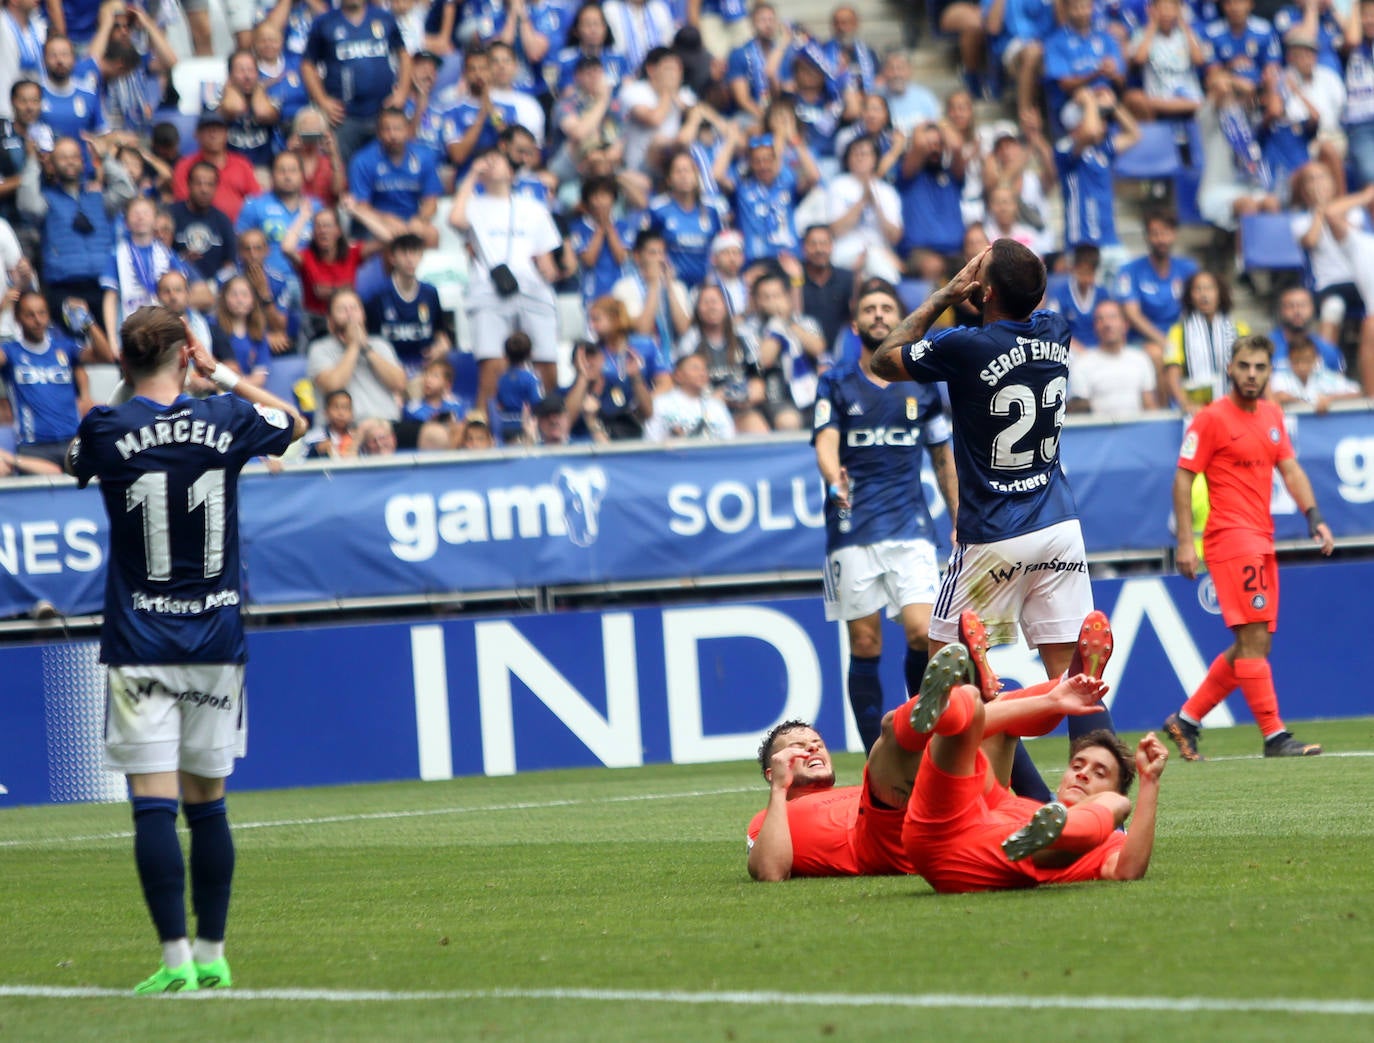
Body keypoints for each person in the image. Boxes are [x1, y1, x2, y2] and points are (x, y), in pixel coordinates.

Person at [65, 305, 307, 992]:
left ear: (126, 363)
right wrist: (221, 373)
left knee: (152, 803)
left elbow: (80, 452)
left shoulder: (107, 426)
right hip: (214, 638)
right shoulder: (228, 417)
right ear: (185, 354)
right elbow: (296, 423)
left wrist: (126, 384)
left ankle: (173, 961)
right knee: (208, 802)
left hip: (140, 642)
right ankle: (213, 954)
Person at [870, 240, 1096, 684]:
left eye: (981, 265)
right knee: (1071, 684)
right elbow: (1029, 301)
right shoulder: (1057, 329)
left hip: (993, 533)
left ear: (985, 290)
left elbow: (883, 361)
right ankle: (1099, 751)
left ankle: (984, 715)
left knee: (946, 679)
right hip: (1059, 526)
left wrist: (943, 296)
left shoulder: (965, 346)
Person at [747, 631, 1120, 881]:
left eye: (816, 742)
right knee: (895, 728)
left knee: (988, 719)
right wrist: (780, 791)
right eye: (798, 745)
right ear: (771, 770)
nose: (813, 747)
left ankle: (1062, 687)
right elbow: (770, 872)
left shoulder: (844, 792)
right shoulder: (767, 819)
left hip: (956, 816)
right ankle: (1034, 695)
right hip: (881, 839)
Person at [1163, 335, 1335, 761]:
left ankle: (1185, 720)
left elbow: (1290, 469)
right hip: (1230, 539)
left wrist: (1314, 515)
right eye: (1245, 366)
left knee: (1251, 644)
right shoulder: (1209, 419)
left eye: (1260, 367)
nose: (1252, 375)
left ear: (1268, 371)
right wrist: (1187, 541)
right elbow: (1183, 477)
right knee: (1254, 640)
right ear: (1230, 369)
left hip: (1262, 538)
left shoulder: (1273, 416)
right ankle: (1275, 736)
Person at [813, 282, 958, 751]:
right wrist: (833, 476)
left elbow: (943, 458)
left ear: (900, 321)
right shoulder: (835, 382)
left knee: (922, 631)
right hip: (852, 529)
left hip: (910, 527)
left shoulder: (923, 384)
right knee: (867, 645)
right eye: (870, 309)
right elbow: (825, 439)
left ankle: (920, 741)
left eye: (887, 309)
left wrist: (960, 517)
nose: (878, 315)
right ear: (855, 325)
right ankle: (877, 757)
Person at [899, 646, 1168, 893]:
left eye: (1100, 773)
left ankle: (1053, 840)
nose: (1083, 773)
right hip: (934, 831)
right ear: (1062, 779)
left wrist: (1149, 781)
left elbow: (1128, 869)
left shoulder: (1107, 843)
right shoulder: (1015, 807)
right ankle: (942, 710)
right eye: (1077, 765)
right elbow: (986, 727)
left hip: (980, 864)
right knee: (968, 703)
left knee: (1117, 804)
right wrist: (1051, 701)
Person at [448, 148, 562, 416]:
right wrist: (473, 174)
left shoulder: (533, 207)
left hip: (532, 289)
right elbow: (455, 219)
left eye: (496, 161)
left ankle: (550, 421)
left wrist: (551, 274)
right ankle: (484, 426)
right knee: (492, 363)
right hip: (489, 291)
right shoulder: (473, 204)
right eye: (487, 160)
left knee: (546, 361)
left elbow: (544, 256)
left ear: (511, 172)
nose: (490, 164)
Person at [0, 292, 113, 468]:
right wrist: (1, 311)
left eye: (42, 313)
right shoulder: (10, 351)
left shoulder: (65, 347)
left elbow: (106, 356)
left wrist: (87, 321)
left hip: (72, 442)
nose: (37, 320)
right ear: (17, 318)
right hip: (33, 448)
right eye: (30, 315)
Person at [307, 288, 406, 425]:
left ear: (363, 315)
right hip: (344, 430)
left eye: (354, 308)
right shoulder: (319, 349)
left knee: (434, 435)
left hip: (387, 425)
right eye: (342, 310)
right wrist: (354, 346)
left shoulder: (380, 345)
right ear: (330, 321)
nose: (350, 315)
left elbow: (399, 383)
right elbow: (332, 386)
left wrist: (366, 348)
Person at [1163, 270, 1251, 413]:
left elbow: (1249, 369)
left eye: (1209, 288)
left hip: (1233, 408)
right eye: (1198, 289)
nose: (1204, 295)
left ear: (1219, 293)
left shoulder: (1239, 329)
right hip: (1196, 410)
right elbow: (1172, 373)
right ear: (1190, 296)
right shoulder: (1178, 331)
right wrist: (1185, 403)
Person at [1066, 299, 1159, 417]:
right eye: (1100, 319)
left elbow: (1149, 405)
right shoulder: (1082, 364)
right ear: (1095, 327)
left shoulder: (1141, 359)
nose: (1107, 324)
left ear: (1125, 325)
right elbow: (1080, 415)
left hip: (1136, 432)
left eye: (1112, 317)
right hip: (1099, 432)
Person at [643, 351, 735, 441]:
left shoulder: (716, 405)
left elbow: (730, 440)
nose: (702, 373)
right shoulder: (661, 403)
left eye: (704, 369)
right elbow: (651, 441)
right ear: (678, 375)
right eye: (695, 369)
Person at [1270, 333, 1361, 411]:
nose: (1302, 366)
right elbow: (1279, 396)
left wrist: (1330, 399)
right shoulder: (1280, 377)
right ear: (1289, 359)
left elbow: (1356, 392)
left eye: (1307, 360)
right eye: (1296, 361)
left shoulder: (1325, 376)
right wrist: (1312, 405)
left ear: (1316, 359)